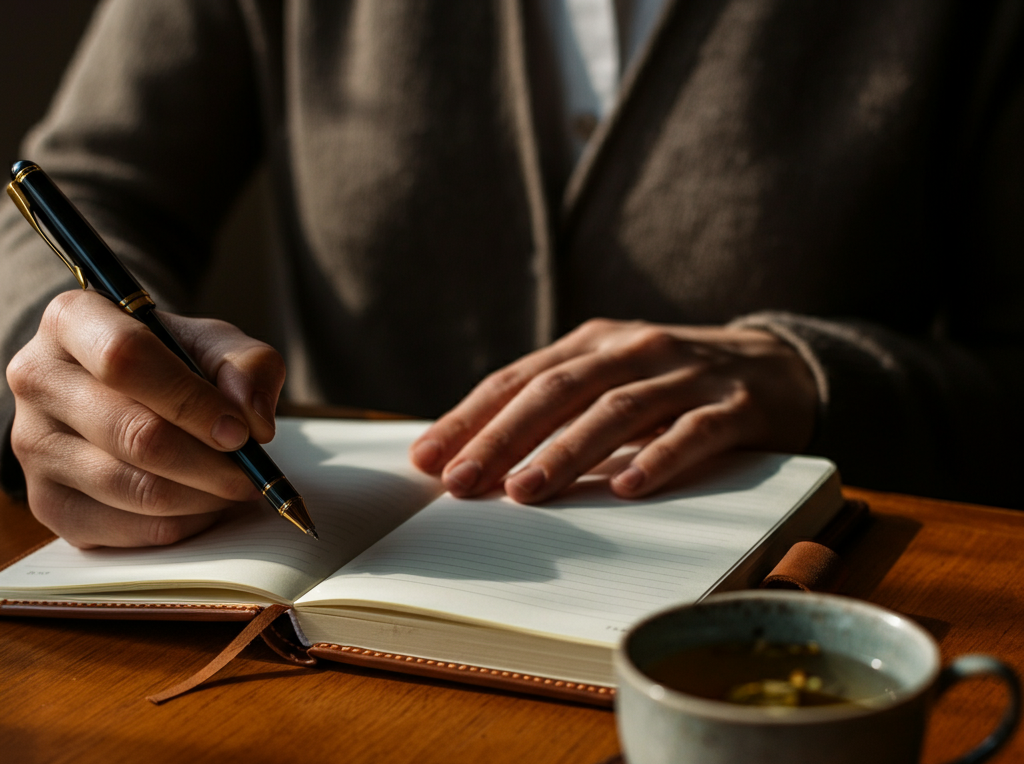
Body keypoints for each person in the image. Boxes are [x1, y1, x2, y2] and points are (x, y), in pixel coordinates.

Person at [1, 0, 1022, 549]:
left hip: (786, 670)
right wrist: (68, 358)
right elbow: (85, 188)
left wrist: (811, 373)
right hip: (310, 658)